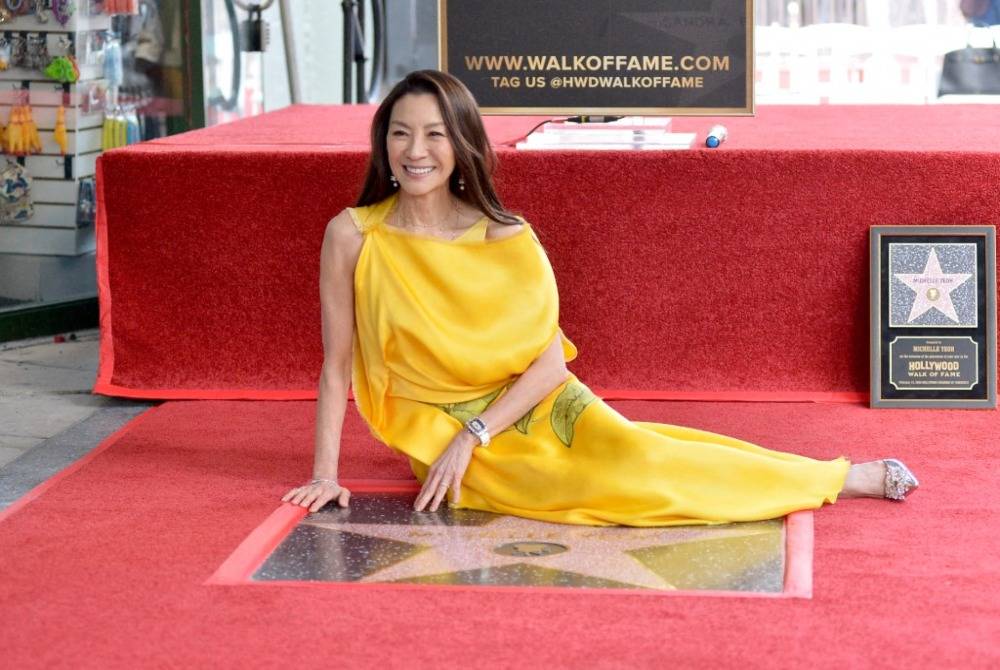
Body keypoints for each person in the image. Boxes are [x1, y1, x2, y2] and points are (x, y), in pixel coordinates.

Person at [281, 69, 918, 526]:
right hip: (441, 442)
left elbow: (550, 362)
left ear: (462, 145)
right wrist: (325, 474)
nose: (416, 151)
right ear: (383, 144)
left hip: (520, 411)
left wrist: (472, 434)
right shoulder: (352, 235)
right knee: (619, 485)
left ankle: (837, 476)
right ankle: (822, 474)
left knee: (638, 460)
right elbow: (337, 366)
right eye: (400, 133)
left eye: (435, 135)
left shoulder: (508, 238)